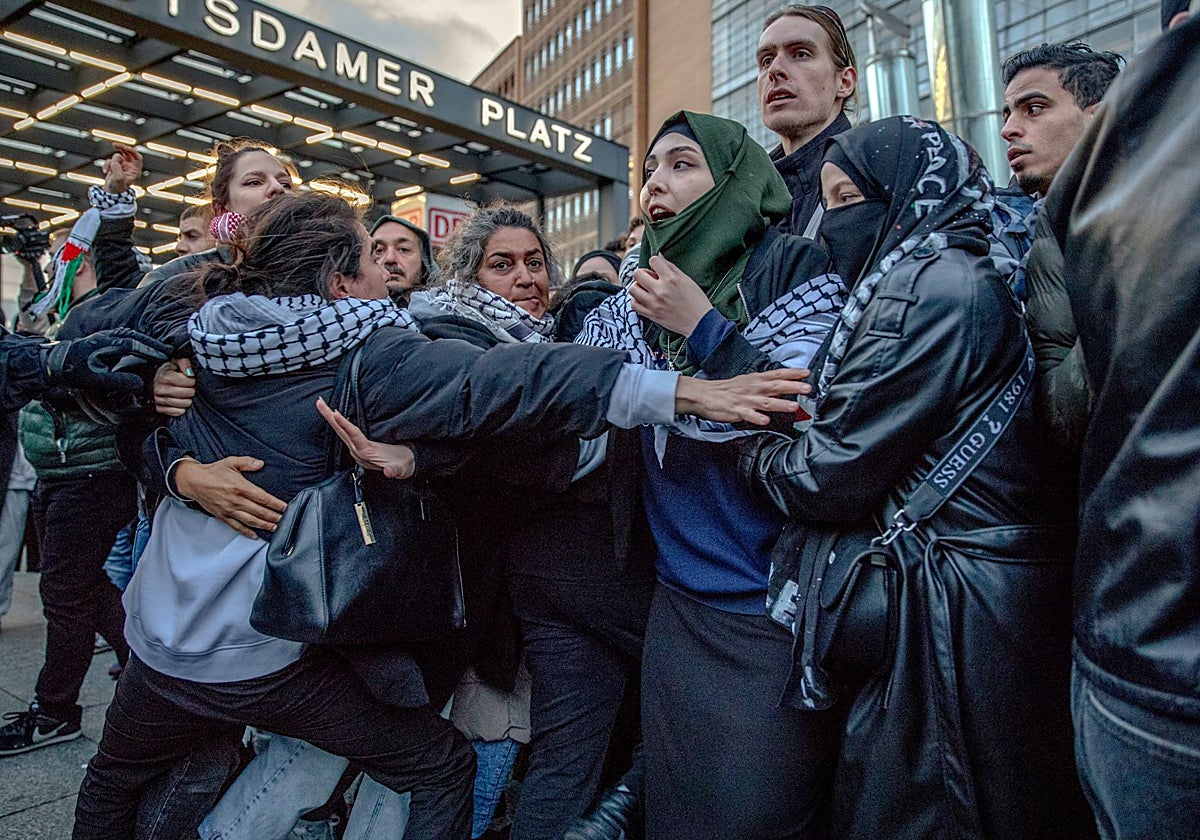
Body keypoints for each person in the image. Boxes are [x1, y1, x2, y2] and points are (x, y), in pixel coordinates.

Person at [71, 191, 808, 840]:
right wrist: (685, 393)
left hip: (157, 637)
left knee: (110, 780)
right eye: (370, 259)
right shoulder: (368, 357)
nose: (387, 273)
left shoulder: (199, 334)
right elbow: (515, 380)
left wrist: (174, 458)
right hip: (257, 657)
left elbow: (87, 344)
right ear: (338, 281)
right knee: (443, 768)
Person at [736, 115, 1093, 838]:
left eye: (846, 202)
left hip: (955, 618)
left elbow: (825, 475)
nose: (830, 225)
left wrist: (751, 448)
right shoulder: (959, 269)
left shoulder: (924, 288)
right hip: (984, 599)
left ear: (902, 195)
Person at [574, 110, 843, 839]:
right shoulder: (631, 296)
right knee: (679, 807)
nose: (657, 182)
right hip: (677, 603)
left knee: (759, 814)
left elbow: (814, 413)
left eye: (683, 164)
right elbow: (571, 389)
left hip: (771, 609)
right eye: (651, 169)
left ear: (733, 181)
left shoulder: (793, 269)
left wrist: (704, 328)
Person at [1044, 4, 1200, 836]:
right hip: (1136, 649)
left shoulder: (1135, 127)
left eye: (1037, 109)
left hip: (1130, 632)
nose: (1013, 131)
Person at [1000, 43, 1122, 449]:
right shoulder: (1027, 227)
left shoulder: (1163, 207)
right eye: (1008, 113)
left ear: (1099, 116)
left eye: (1033, 108)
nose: (1009, 129)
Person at [757, 4, 857, 236]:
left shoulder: (876, 174)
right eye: (766, 60)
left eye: (800, 54)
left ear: (844, 82)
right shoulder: (748, 201)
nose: (775, 70)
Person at [369, 214, 438, 306]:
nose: (390, 258)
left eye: (404, 249)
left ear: (424, 262)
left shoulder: (448, 313)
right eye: (379, 250)